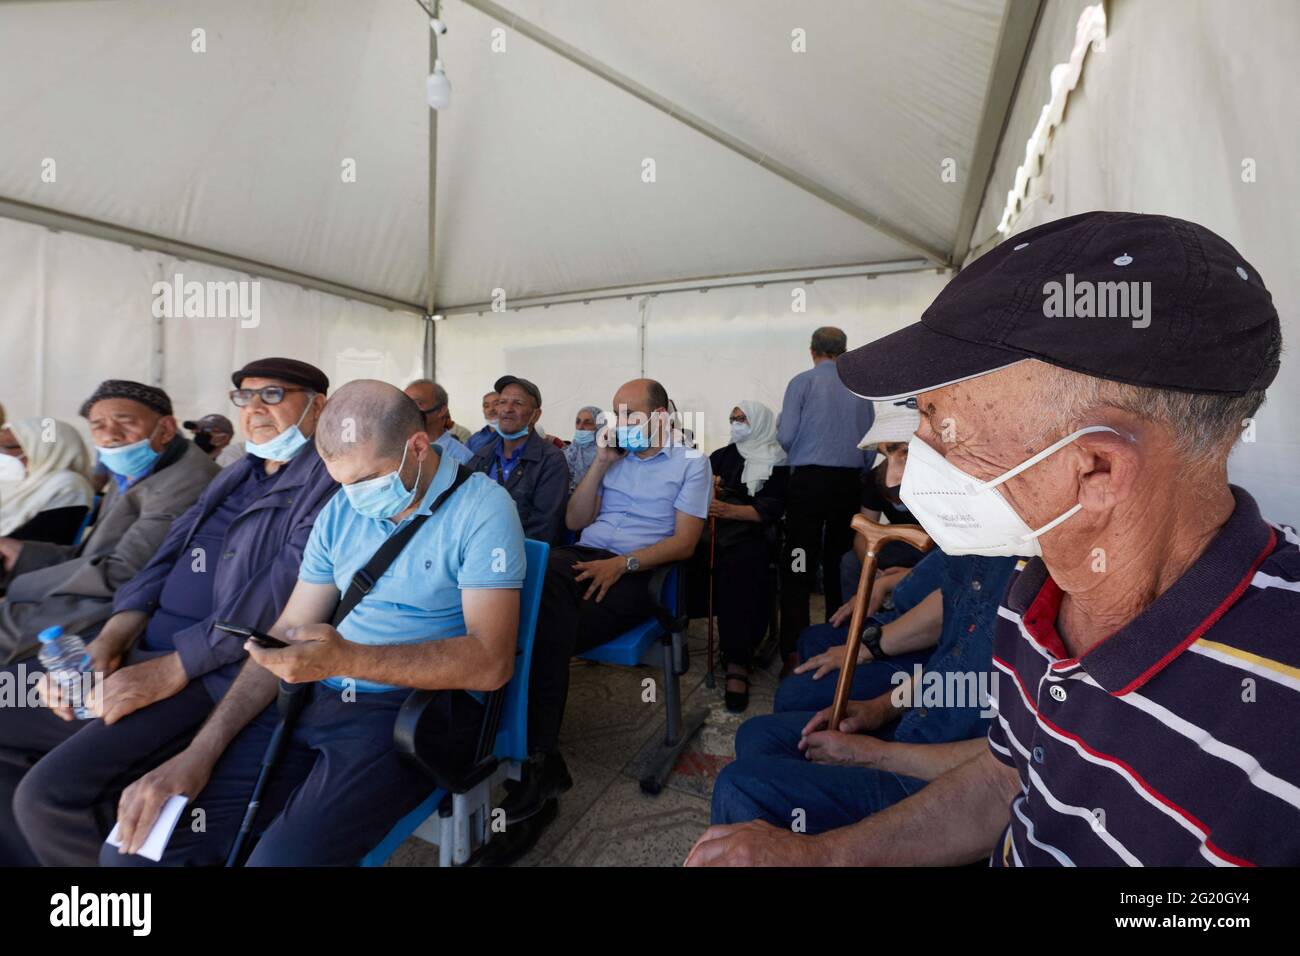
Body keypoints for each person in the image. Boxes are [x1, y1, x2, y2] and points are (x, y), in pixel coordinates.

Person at [687, 211, 1299, 867]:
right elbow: (1008, 780)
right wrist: (823, 855)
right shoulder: (1037, 586)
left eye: (938, 425)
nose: (907, 460)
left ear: (1094, 469)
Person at [98, 380, 524, 866]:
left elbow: (490, 662)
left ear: (419, 446)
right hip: (311, 692)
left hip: (405, 710)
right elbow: (286, 632)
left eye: (366, 480)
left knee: (277, 861)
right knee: (137, 851)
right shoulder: (341, 509)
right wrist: (199, 753)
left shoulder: (482, 509)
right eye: (340, 481)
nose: (355, 497)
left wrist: (349, 658)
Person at [0, 357, 338, 866]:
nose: (254, 409)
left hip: (210, 672)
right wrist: (109, 641)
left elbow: (273, 603)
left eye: (274, 395)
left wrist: (173, 666)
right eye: (244, 397)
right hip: (142, 648)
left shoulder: (328, 485)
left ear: (320, 407)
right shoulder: (236, 474)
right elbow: (157, 567)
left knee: (49, 795)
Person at [498, 378, 710, 854]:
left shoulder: (691, 464)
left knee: (538, 611)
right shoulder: (612, 460)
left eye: (632, 413)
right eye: (618, 413)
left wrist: (623, 564)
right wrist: (599, 464)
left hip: (637, 573)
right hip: (584, 561)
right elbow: (574, 523)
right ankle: (537, 756)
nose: (622, 423)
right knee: (534, 581)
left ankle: (533, 761)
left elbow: (685, 543)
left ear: (662, 414)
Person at [711, 547, 1014, 835]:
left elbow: (1009, 771)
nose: (894, 489)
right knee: (756, 735)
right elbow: (951, 665)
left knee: (739, 788)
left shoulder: (1039, 588)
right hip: (919, 724)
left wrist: (874, 755)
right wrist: (879, 708)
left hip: (948, 784)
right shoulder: (990, 553)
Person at [0, 381, 219, 663]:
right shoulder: (135, 467)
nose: (110, 435)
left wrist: (25, 583)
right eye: (98, 425)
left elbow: (124, 572)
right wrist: (20, 553)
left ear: (165, 429)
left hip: (124, 607)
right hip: (93, 590)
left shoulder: (185, 479)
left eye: (125, 422)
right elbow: (95, 553)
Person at [777, 327, 876, 672]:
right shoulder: (860, 388)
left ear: (812, 350)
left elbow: (786, 434)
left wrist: (804, 453)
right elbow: (870, 444)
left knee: (799, 561)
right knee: (836, 561)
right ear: (845, 351)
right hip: (847, 483)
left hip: (808, 481)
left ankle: (793, 647)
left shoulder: (801, 382)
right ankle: (838, 644)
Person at [686, 401, 787, 711]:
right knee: (682, 555)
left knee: (741, 565)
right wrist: (710, 490)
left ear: (758, 421)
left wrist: (730, 508)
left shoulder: (777, 459)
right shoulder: (720, 456)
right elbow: (695, 494)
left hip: (753, 534)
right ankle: (671, 635)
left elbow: (773, 509)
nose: (736, 423)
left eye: (742, 418)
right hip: (715, 532)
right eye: (732, 418)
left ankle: (737, 661)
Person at [470, 375, 569, 544]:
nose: (507, 409)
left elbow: (544, 527)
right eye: (502, 402)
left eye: (518, 403)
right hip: (476, 547)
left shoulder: (551, 460)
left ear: (535, 415)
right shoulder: (482, 456)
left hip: (519, 555)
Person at [0, 418, 94, 544]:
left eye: (6, 447)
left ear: (42, 449)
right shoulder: (23, 483)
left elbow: (35, 546)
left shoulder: (67, 485)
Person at [404, 379, 476, 466]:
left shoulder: (461, 457)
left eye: (417, 403)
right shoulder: (397, 448)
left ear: (441, 411)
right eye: (405, 403)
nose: (408, 409)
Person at [562, 405, 602, 492]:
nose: (580, 427)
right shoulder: (570, 452)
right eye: (578, 422)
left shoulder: (607, 456)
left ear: (600, 427)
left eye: (588, 423)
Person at [467, 389, 499, 454]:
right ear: (483, 411)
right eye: (486, 406)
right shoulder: (474, 438)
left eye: (496, 404)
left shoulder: (511, 436)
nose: (491, 409)